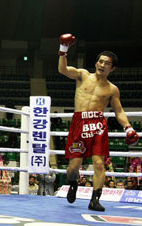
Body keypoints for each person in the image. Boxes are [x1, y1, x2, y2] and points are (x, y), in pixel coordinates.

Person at [58, 33, 140, 211]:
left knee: (99, 163)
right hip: (79, 123)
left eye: (107, 63)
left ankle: (95, 199)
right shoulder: (82, 75)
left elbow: (118, 111)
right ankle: (73, 183)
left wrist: (128, 128)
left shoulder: (112, 89)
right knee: (74, 166)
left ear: (113, 68)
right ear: (96, 63)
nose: (102, 65)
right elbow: (63, 70)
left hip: (98, 125)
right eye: (100, 61)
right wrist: (63, 50)